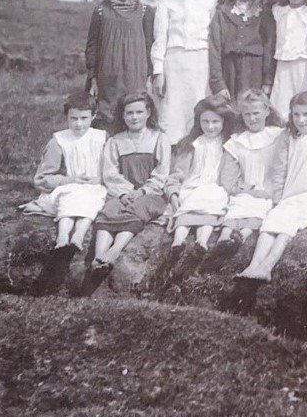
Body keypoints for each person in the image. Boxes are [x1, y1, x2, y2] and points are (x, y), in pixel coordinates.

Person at [236, 91, 307, 281]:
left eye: (306, 115)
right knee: (271, 222)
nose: (301, 120)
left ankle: (267, 266)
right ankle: (253, 265)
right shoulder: (288, 137)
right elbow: (280, 171)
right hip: (292, 195)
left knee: (287, 227)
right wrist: (278, 198)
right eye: (296, 115)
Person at [79, 91, 170, 295]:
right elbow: (110, 172)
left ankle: (114, 251)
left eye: (139, 112)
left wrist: (143, 191)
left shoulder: (159, 138)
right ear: (123, 115)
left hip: (150, 194)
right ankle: (99, 256)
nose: (134, 117)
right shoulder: (115, 141)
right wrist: (124, 192)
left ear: (148, 113)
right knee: (109, 210)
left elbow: (162, 172)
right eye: (129, 113)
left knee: (137, 209)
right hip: (122, 192)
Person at [21, 91, 108, 289]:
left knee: (93, 197)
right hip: (68, 188)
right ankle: (63, 237)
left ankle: (78, 236)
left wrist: (101, 178)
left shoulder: (102, 138)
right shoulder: (59, 141)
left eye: (84, 118)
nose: (78, 124)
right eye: (73, 118)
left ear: (93, 117)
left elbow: (111, 167)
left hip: (95, 187)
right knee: (73, 193)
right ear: (66, 117)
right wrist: (70, 179)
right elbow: (42, 179)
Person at [161, 95, 236, 267]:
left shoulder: (230, 144)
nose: (210, 126)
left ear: (224, 121)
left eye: (215, 121)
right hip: (191, 187)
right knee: (189, 202)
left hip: (216, 188)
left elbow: (229, 176)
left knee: (212, 201)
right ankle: (177, 243)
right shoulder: (191, 144)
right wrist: (173, 195)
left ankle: (201, 242)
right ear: (198, 121)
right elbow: (176, 175)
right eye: (205, 121)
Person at [151, 0, 217, 145]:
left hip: (201, 64)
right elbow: (160, 40)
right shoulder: (166, 2)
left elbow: (215, 38)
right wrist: (158, 72)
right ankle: (170, 160)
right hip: (174, 63)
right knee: (173, 112)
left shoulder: (210, 2)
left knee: (199, 107)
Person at [84, 0, 155, 129]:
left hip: (135, 73)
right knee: (107, 117)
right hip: (108, 75)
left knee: (134, 113)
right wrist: (93, 78)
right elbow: (92, 46)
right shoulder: (101, 11)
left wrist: (150, 75)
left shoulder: (145, 11)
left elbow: (149, 45)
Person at [216, 89, 285, 255]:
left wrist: (273, 192)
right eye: (247, 114)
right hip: (246, 189)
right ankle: (223, 239)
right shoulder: (237, 141)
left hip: (270, 189)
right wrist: (248, 190)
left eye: (256, 113)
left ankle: (242, 235)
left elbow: (284, 167)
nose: (252, 118)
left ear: (267, 111)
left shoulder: (278, 136)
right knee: (238, 205)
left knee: (262, 208)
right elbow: (228, 178)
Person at [208, 0, 272, 100]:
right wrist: (219, 84)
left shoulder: (264, 13)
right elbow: (214, 49)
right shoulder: (222, 13)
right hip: (229, 71)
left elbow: (269, 47)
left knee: (253, 109)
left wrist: (268, 80)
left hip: (255, 72)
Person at [267, 0, 307, 115]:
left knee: (305, 102)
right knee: (281, 105)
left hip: (305, 63)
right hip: (283, 64)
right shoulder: (277, 10)